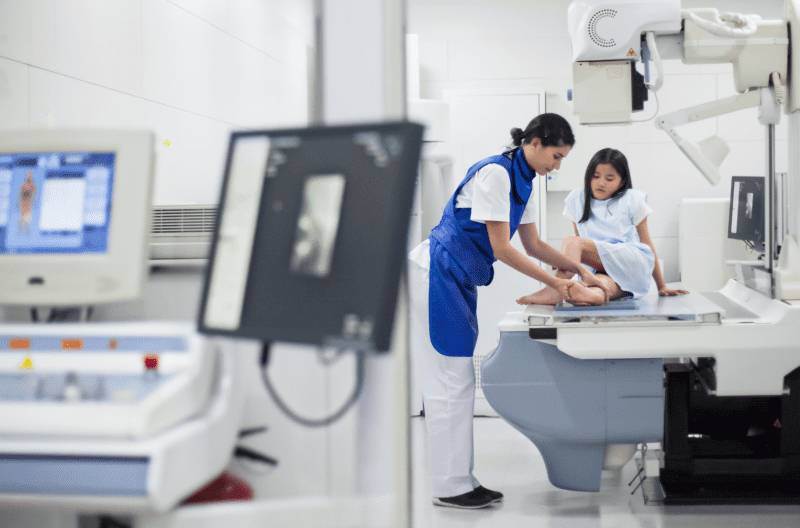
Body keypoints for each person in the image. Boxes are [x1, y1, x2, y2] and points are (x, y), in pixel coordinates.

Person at [408, 113, 607, 509]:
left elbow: (533, 245)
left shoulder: (524, 182)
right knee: (451, 380)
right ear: (533, 143)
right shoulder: (496, 175)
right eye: (556, 155)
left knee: (457, 379)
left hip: (457, 276)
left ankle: (459, 480)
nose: (557, 165)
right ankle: (450, 486)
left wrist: (585, 269)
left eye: (563, 158)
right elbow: (502, 249)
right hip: (437, 272)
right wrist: (558, 285)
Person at [516, 147, 688, 306]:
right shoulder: (577, 199)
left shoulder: (632, 199)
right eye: (595, 176)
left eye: (609, 178)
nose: (601, 183)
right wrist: (569, 265)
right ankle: (576, 292)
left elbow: (646, 244)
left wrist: (661, 285)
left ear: (621, 182)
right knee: (590, 292)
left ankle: (555, 290)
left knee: (573, 242)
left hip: (630, 263)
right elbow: (580, 252)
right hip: (601, 269)